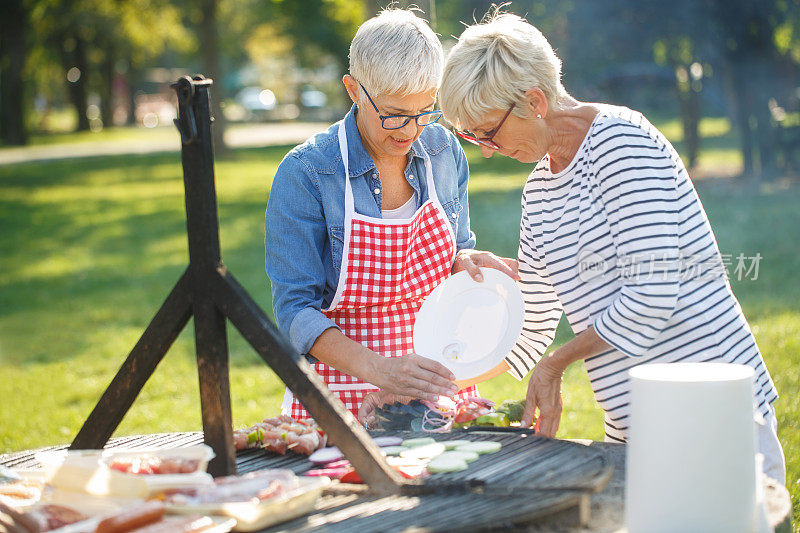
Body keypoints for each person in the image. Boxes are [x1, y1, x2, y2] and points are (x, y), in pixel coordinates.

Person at [439, 10, 785, 483]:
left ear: (535, 101)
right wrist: (443, 380)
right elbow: (535, 319)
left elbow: (652, 293)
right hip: (636, 423)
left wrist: (558, 363)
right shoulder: (539, 190)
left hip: (710, 407)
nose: (484, 149)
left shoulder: (621, 143)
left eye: (488, 131)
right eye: (470, 135)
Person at [265, 8, 516, 421]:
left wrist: (464, 261)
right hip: (340, 399)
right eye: (394, 114)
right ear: (353, 89)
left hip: (437, 389)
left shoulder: (443, 152)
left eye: (424, 112)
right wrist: (381, 371)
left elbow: (451, 255)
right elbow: (295, 311)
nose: (409, 131)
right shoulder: (308, 172)